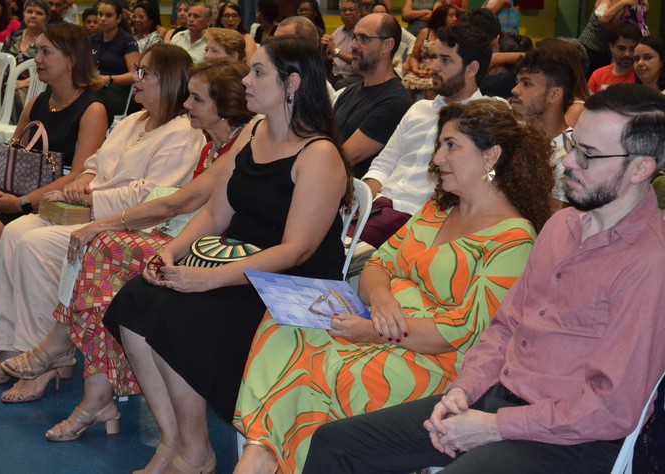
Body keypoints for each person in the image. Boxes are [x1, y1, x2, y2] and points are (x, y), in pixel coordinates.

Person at [303, 84, 665, 474]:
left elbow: (610, 409)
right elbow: (506, 326)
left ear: (640, 168)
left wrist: (494, 427)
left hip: (569, 439)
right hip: (499, 398)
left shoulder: (649, 263)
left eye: (588, 154)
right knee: (335, 443)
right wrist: (463, 391)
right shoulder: (562, 226)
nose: (569, 162)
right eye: (574, 146)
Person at [235, 98, 554, 474]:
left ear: (491, 156)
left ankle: (266, 457)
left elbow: (461, 331)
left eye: (451, 146)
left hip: (433, 360)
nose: (437, 158)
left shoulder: (514, 241)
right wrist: (382, 297)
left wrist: (376, 331)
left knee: (325, 366)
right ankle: (263, 452)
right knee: (283, 326)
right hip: (377, 322)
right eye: (439, 145)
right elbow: (379, 263)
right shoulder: (438, 209)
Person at [102, 35, 352, 474]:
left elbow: (297, 250)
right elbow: (217, 212)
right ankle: (175, 439)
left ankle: (196, 453)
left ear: (292, 83)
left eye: (258, 72)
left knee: (179, 318)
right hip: (240, 266)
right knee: (135, 301)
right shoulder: (253, 132)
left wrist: (209, 279)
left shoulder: (319, 154)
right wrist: (170, 252)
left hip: (292, 287)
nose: (246, 81)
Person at [0, 58, 252, 445]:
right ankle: (86, 387)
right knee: (97, 279)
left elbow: (178, 203)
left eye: (197, 99)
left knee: (99, 250)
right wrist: (93, 197)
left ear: (223, 105)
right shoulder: (208, 143)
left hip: (209, 247)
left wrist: (104, 221)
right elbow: (164, 197)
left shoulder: (235, 141)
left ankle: (62, 354)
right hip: (180, 233)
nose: (187, 105)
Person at [0, 43, 206, 403]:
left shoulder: (183, 133)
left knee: (36, 245)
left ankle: (46, 359)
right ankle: (11, 346)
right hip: (91, 208)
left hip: (128, 224)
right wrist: (83, 181)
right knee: (15, 233)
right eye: (138, 70)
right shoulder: (134, 120)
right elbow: (96, 161)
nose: (136, 78)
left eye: (145, 73)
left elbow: (152, 197)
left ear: (170, 80)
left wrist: (91, 197)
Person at [0, 22, 108, 341]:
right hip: (20, 191)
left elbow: (79, 175)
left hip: (54, 201)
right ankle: (16, 310)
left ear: (71, 60)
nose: (36, 58)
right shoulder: (37, 103)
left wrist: (22, 203)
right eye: (37, 50)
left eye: (45, 52)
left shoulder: (92, 109)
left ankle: (16, 315)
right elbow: (9, 152)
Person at [359, 24, 494, 249]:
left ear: (471, 69)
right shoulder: (418, 109)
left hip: (422, 219)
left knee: (330, 250)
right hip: (379, 207)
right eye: (436, 58)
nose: (434, 67)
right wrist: (363, 203)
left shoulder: (488, 117)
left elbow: (493, 177)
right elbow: (383, 164)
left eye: (445, 60)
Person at [332, 13, 413, 179]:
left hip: (353, 189)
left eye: (363, 38)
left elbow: (343, 158)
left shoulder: (394, 102)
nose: (353, 45)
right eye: (354, 37)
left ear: (387, 45)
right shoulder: (349, 92)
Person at [509, 48, 574, 212]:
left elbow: (552, 222)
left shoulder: (570, 154)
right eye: (517, 82)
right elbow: (487, 180)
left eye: (526, 84)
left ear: (554, 94)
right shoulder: (512, 136)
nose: (515, 90)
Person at [91, 0, 140, 116]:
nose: (103, 19)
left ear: (118, 19)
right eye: (100, 14)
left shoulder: (127, 41)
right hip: (94, 87)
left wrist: (109, 79)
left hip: (116, 92)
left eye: (108, 15)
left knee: (88, 102)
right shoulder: (92, 40)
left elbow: (136, 74)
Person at [402, 4, 458, 100]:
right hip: (421, 71)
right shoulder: (425, 32)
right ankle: (409, 108)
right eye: (451, 16)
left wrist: (435, 71)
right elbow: (414, 56)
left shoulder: (454, 35)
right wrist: (416, 70)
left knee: (431, 89)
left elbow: (453, 59)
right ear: (441, 18)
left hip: (441, 73)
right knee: (406, 83)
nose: (455, 19)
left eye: (455, 15)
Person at [578, 0, 647, 78]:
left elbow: (645, 8)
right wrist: (624, 3)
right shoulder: (613, 2)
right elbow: (603, 20)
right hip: (593, 46)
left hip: (612, 49)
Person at [587, 23, 641, 93]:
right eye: (621, 48)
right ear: (611, 47)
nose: (627, 54)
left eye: (632, 49)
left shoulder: (642, 75)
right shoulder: (598, 75)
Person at [321, 0, 361, 88]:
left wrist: (335, 50)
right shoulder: (338, 32)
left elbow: (356, 60)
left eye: (351, 9)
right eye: (344, 10)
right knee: (318, 79)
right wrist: (323, 48)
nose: (347, 13)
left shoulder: (363, 32)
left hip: (356, 76)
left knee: (340, 84)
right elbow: (328, 57)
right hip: (336, 75)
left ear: (359, 12)